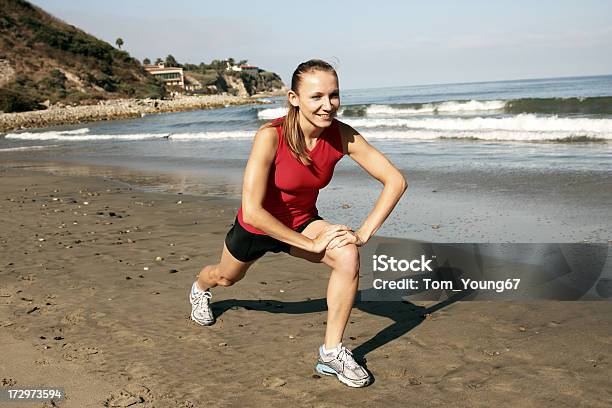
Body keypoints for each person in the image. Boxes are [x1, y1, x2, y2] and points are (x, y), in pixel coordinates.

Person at [189, 59, 407, 388]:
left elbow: (395, 180)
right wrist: (311, 244)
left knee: (347, 254)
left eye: (333, 95)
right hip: (256, 228)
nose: (327, 105)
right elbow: (251, 209)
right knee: (225, 277)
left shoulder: (341, 135)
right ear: (294, 98)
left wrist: (363, 233)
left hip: (303, 223)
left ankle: (331, 353)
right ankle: (199, 289)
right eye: (316, 96)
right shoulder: (270, 136)